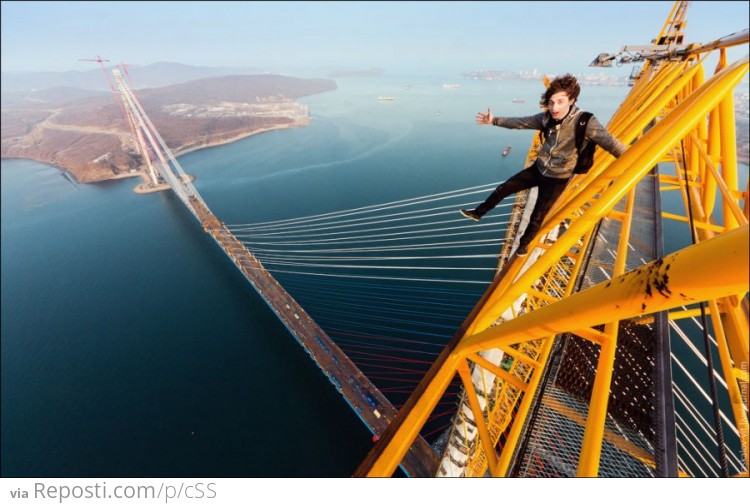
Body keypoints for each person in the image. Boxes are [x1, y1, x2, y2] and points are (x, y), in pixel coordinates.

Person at [460, 74, 626, 256]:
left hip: (558, 178)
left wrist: (635, 160)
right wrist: (494, 121)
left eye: (560, 102)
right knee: (504, 188)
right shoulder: (546, 118)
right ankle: (478, 213)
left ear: (572, 100)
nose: (554, 107)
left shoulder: (585, 122)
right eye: (551, 102)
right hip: (539, 169)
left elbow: (612, 145)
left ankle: (523, 245)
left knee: (537, 216)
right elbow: (520, 123)